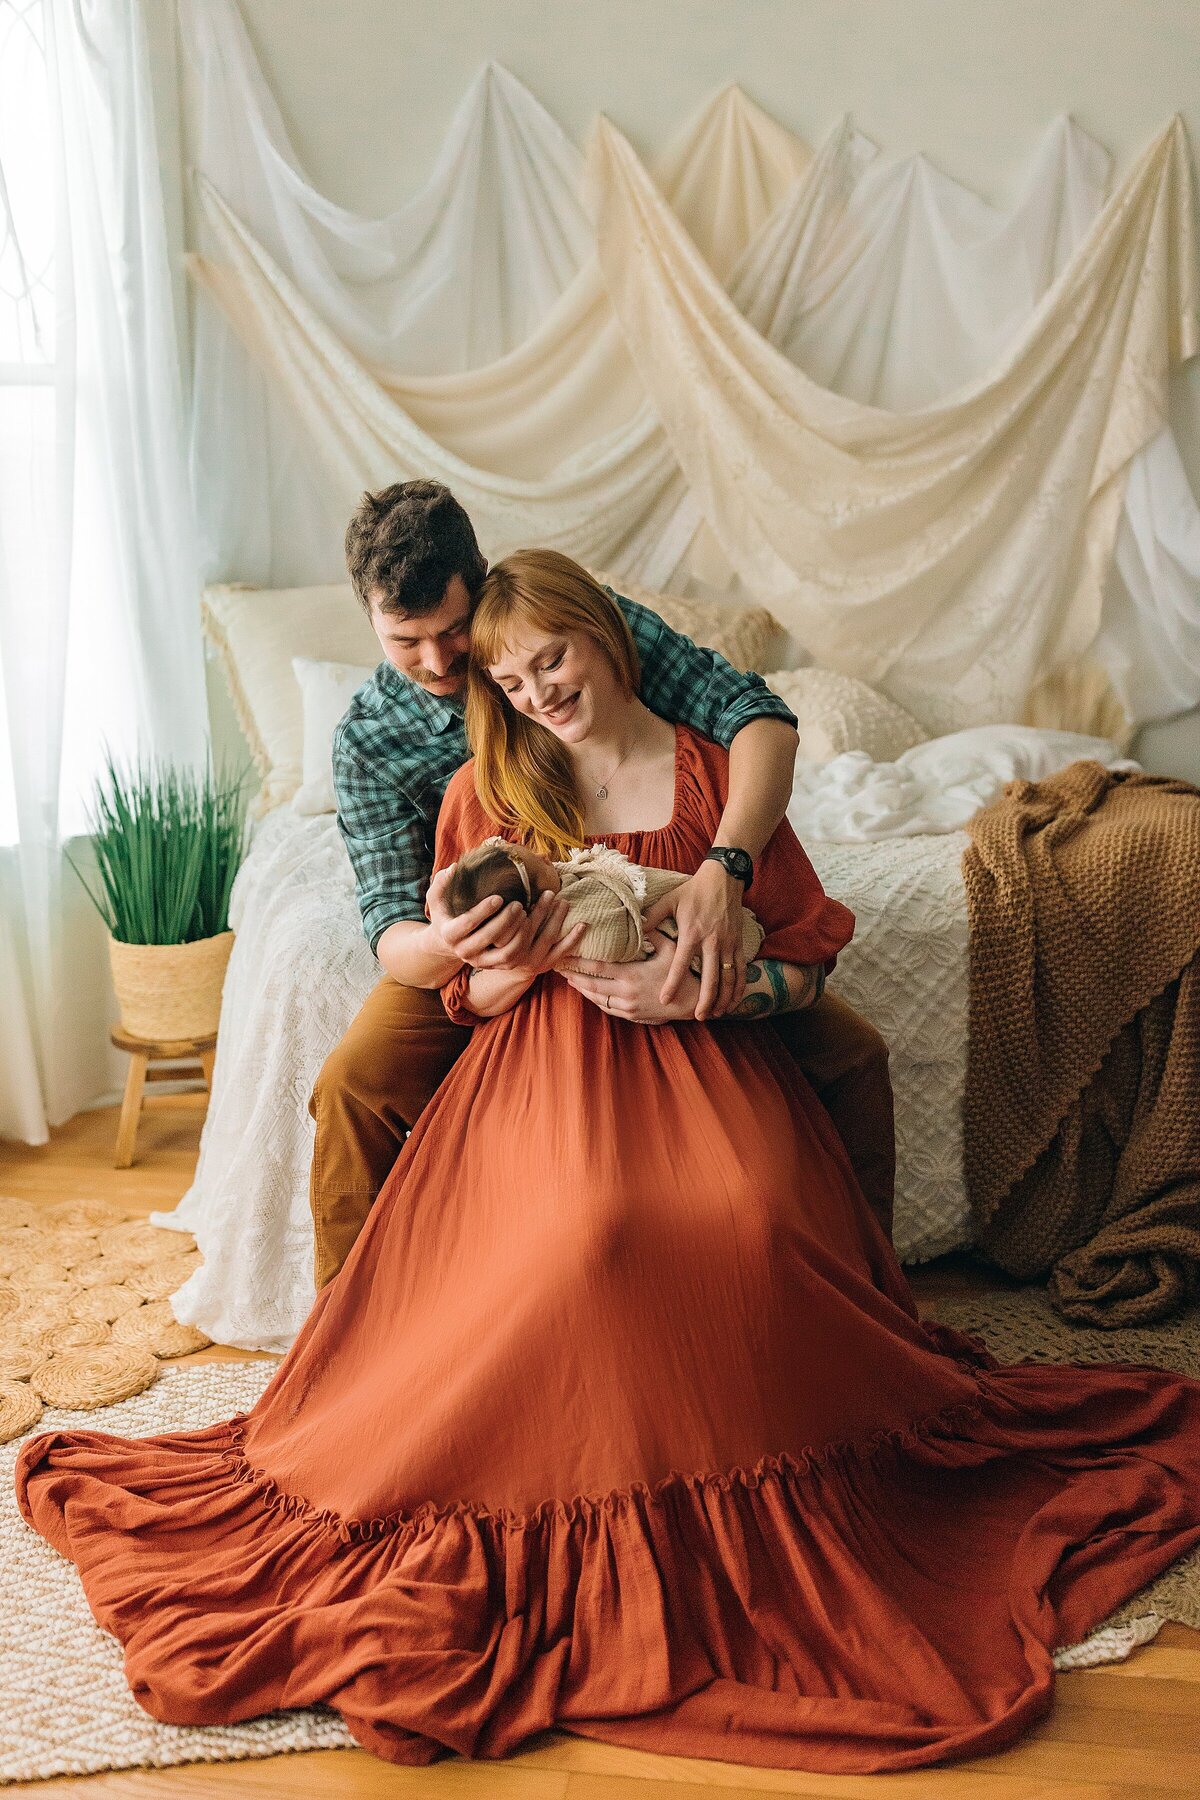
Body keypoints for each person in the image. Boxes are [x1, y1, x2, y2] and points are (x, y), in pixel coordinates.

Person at [16, 551, 1200, 1774]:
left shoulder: (707, 773)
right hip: (537, 1047)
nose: (532, 689)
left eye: (552, 660)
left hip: (703, 1051)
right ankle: (371, 1349)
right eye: (507, 675)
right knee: (553, 1214)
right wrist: (501, 962)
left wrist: (718, 986)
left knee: (745, 1212)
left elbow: (803, 949)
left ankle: (853, 1325)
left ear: (607, 636)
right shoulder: (482, 784)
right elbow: (431, 964)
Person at [309, 479, 896, 1286]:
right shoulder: (373, 739)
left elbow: (753, 716)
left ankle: (867, 1293)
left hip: (645, 895)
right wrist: (461, 947)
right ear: (371, 620)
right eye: (405, 641)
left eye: (452, 633)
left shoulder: (573, 628)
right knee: (351, 1085)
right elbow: (390, 930)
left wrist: (723, 871)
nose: (440, 662)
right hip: (469, 940)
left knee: (855, 1056)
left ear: (480, 581)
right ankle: (347, 1324)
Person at [443, 836, 768, 969]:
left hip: (718, 933)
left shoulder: (562, 879)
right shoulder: (574, 911)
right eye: (513, 685)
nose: (547, 856)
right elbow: (613, 940)